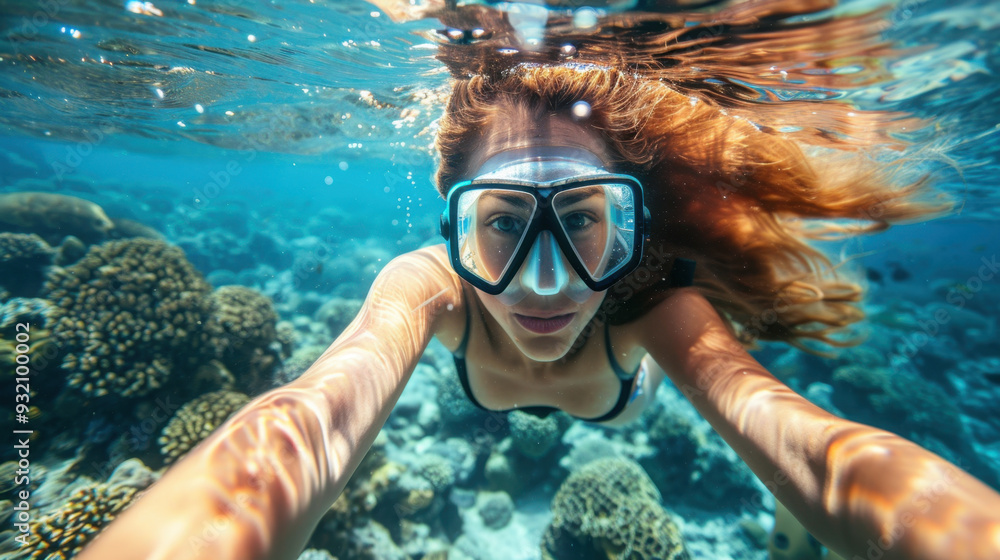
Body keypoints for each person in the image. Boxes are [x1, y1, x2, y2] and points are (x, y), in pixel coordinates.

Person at [79, 2, 1000, 560]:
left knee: (801, 525)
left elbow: (812, 448)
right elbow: (308, 419)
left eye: (585, 221)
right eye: (507, 226)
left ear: (629, 228)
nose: (548, 286)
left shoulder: (658, 307)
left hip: (624, 396)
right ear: (455, 222)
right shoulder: (425, 286)